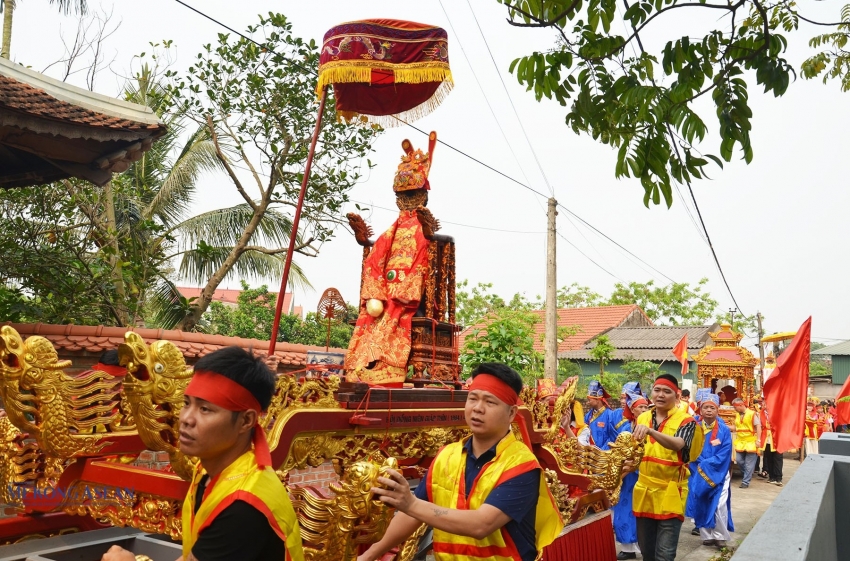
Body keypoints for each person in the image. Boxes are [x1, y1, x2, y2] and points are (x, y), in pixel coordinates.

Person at [101, 347, 303, 561]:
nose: (186, 418)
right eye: (187, 404)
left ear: (246, 421)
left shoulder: (243, 506)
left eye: (205, 409)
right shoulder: (207, 472)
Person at [357, 363, 563, 561]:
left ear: (511, 413)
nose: (478, 408)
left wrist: (410, 503)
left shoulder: (522, 466)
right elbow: (412, 515)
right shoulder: (446, 456)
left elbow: (481, 525)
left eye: (490, 402)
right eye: (473, 398)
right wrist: (368, 556)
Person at [345, 134, 437, 386]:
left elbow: (431, 250)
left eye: (413, 196)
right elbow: (379, 250)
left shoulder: (425, 228)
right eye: (404, 197)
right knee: (373, 312)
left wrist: (429, 233)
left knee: (396, 309)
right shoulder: (393, 228)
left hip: (408, 288)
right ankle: (362, 364)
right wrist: (364, 239)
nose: (408, 202)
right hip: (386, 287)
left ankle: (385, 366)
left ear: (423, 197)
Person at [631, 374, 702, 561]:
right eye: (657, 390)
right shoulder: (643, 418)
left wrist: (651, 431)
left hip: (670, 491)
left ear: (677, 396)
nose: (661, 395)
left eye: (667, 391)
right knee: (647, 552)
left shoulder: (686, 421)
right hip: (644, 490)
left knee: (665, 553)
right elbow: (636, 451)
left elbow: (679, 444)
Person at [685, 393, 734, 550]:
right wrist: (698, 463)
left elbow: (725, 451)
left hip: (719, 473)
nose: (708, 411)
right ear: (700, 409)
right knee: (701, 501)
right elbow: (688, 448)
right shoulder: (693, 427)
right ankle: (706, 535)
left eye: (712, 408)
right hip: (697, 472)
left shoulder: (724, 430)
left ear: (717, 410)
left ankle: (720, 536)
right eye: (705, 407)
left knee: (719, 505)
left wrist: (707, 464)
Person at [612, 388, 647, 560]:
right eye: (640, 407)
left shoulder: (652, 428)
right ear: (632, 409)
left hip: (645, 475)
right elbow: (619, 451)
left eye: (646, 407)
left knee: (642, 513)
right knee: (624, 511)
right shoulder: (625, 428)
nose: (644, 410)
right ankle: (627, 547)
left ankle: (644, 546)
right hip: (627, 476)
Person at [732, 398, 761, 489]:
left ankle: (745, 481)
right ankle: (747, 474)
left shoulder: (752, 414)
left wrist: (758, 440)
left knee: (749, 463)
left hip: (751, 441)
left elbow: (758, 426)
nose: (734, 409)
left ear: (741, 405)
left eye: (735, 407)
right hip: (741, 441)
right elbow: (736, 427)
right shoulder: (737, 415)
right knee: (739, 460)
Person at [585, 380, 617, 449]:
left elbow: (612, 437)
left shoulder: (610, 415)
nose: (587, 403)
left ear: (598, 399)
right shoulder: (588, 416)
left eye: (589, 400)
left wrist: (601, 452)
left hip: (604, 455)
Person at [759, 403, 783, 486]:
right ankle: (771, 476)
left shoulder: (778, 412)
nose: (764, 404)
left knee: (778, 457)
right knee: (769, 457)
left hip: (777, 436)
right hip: (766, 437)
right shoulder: (761, 413)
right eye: (763, 402)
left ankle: (778, 477)